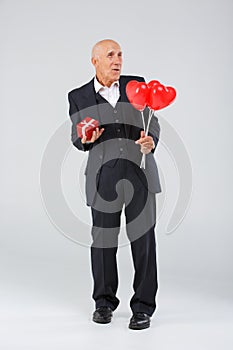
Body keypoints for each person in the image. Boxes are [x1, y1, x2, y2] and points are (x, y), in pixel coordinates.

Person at [68, 39, 161, 330]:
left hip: (139, 173)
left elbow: (152, 122)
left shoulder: (138, 84)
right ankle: (104, 303)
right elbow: (76, 135)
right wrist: (85, 139)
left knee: (144, 241)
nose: (117, 60)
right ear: (95, 61)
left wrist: (151, 140)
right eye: (110, 55)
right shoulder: (79, 96)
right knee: (104, 242)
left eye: (120, 54)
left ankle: (143, 307)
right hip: (102, 177)